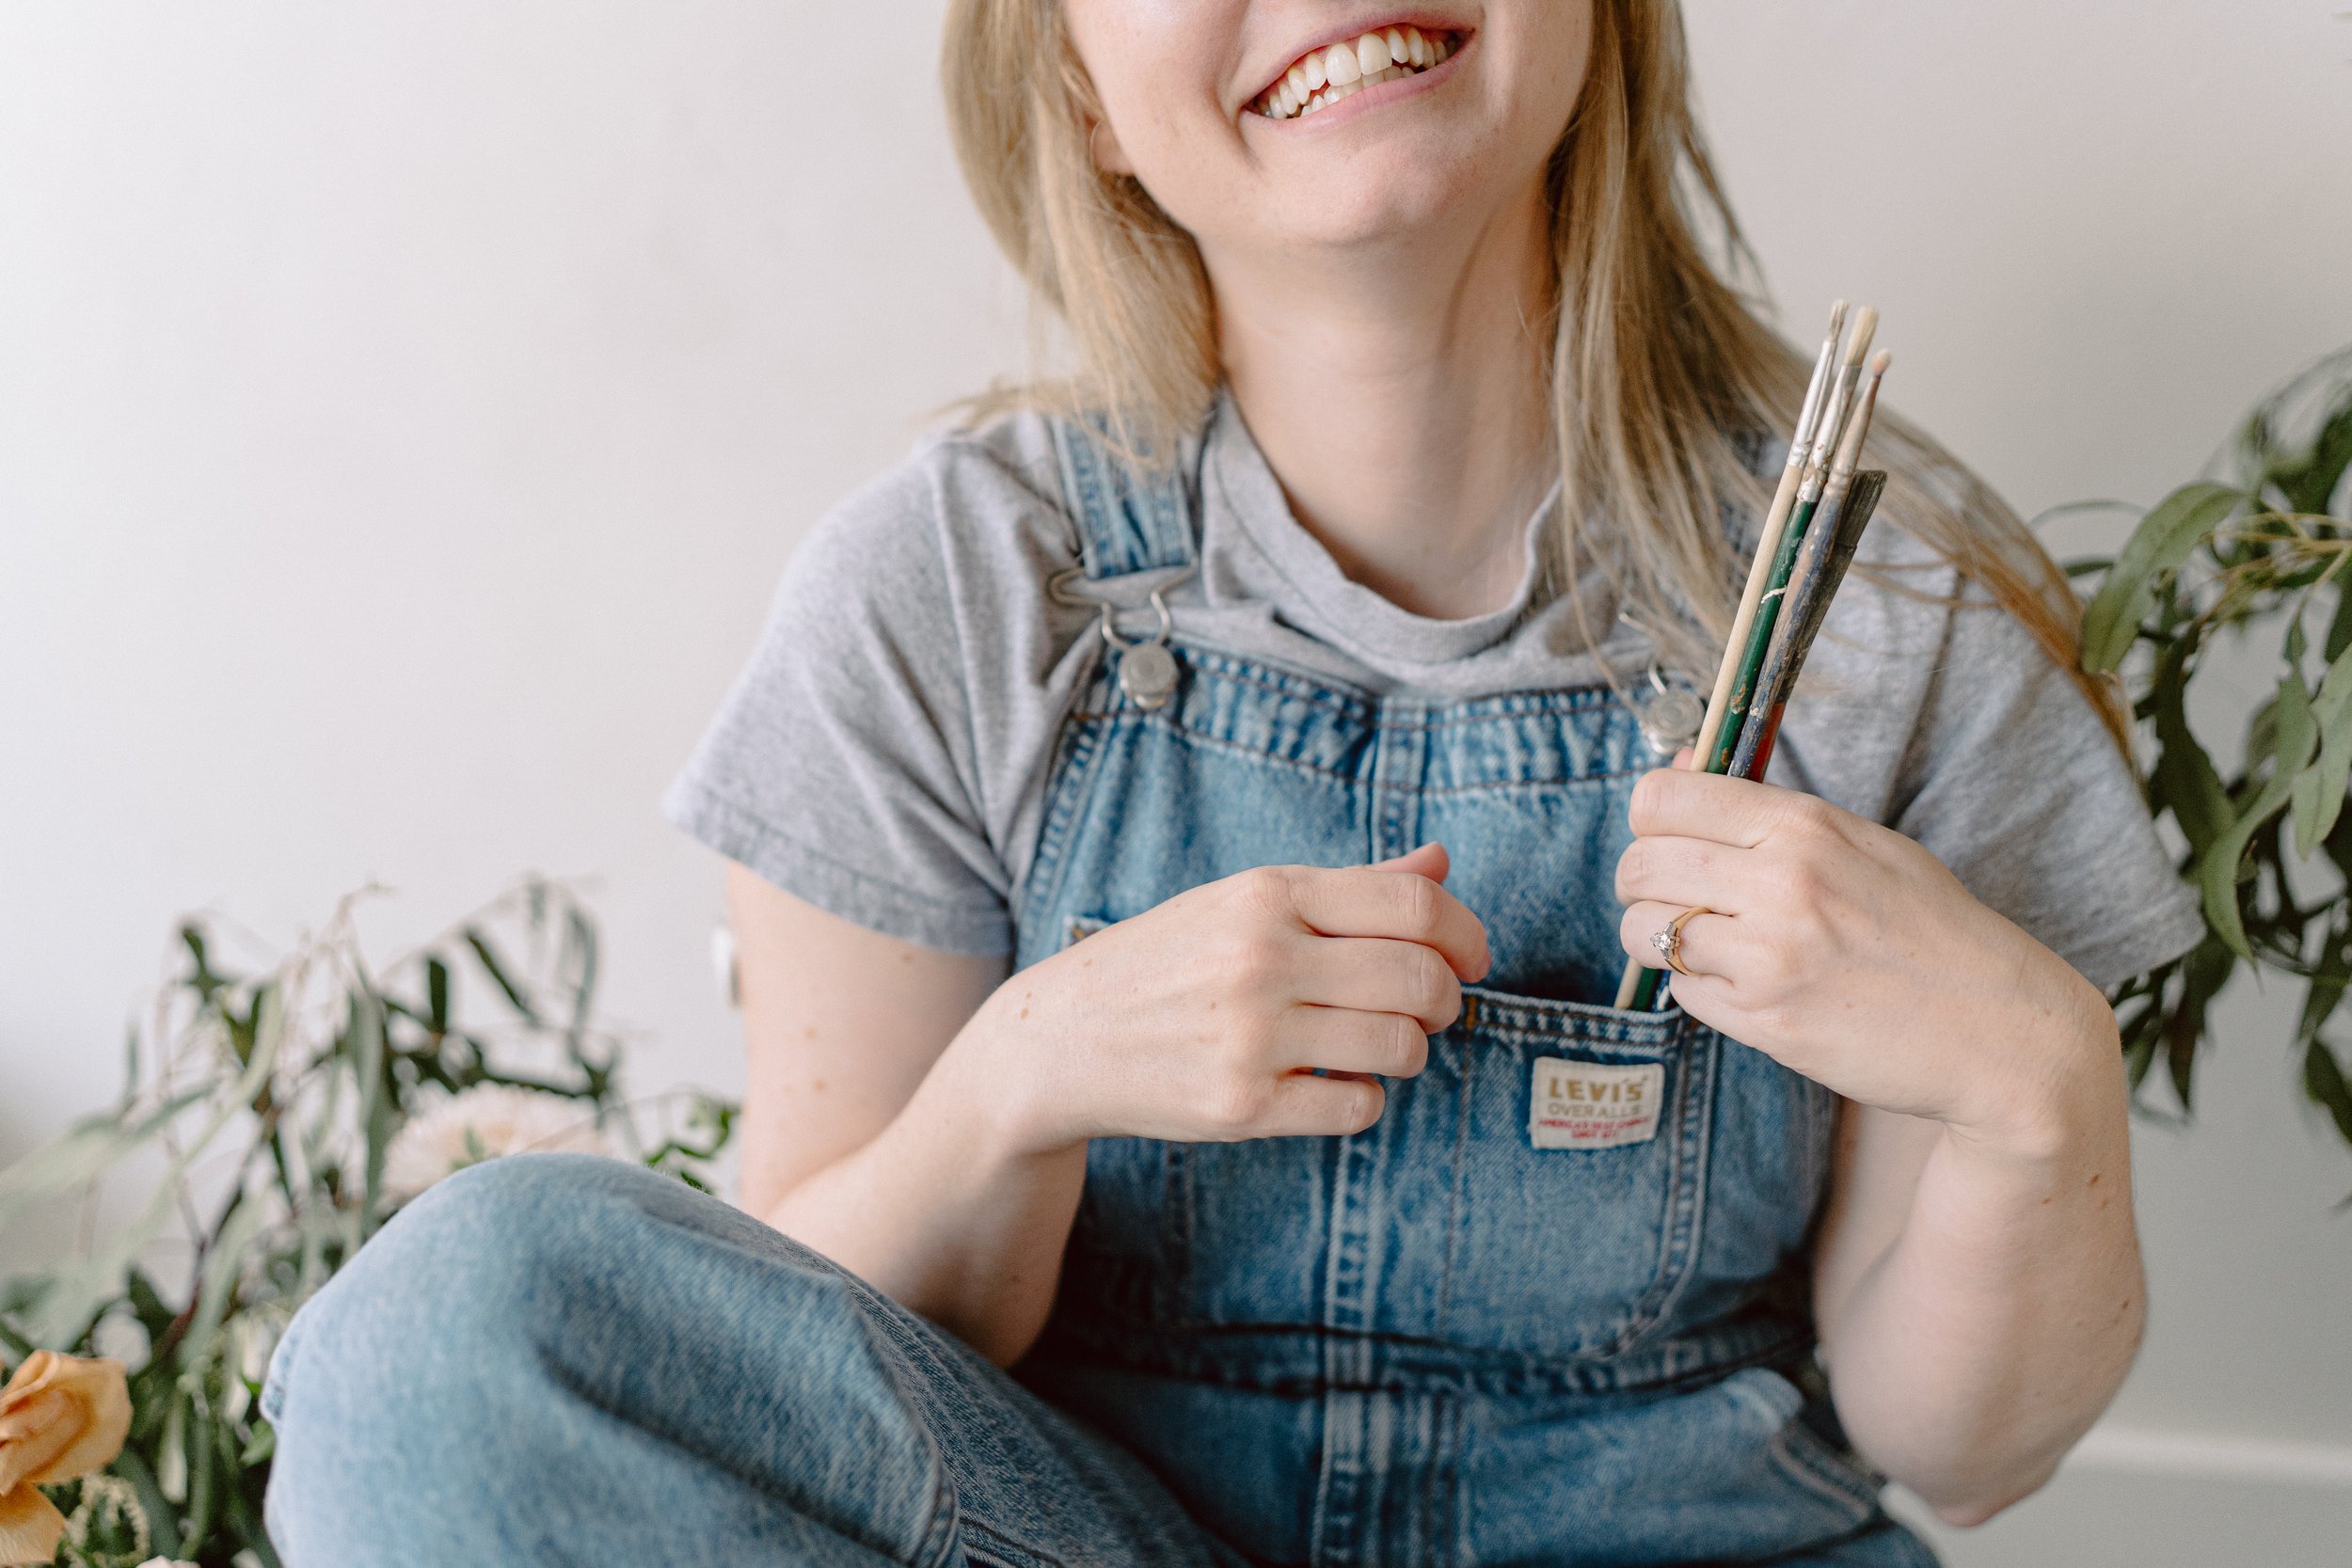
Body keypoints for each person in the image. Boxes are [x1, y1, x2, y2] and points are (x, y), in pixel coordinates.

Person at [261, 3, 2203, 1563]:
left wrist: (2038, 1084)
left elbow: (1958, 1453)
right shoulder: (944, 592)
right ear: (1083, 96)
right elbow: (790, 1390)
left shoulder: (1887, 621)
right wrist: (1024, 1078)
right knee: (449, 1324)